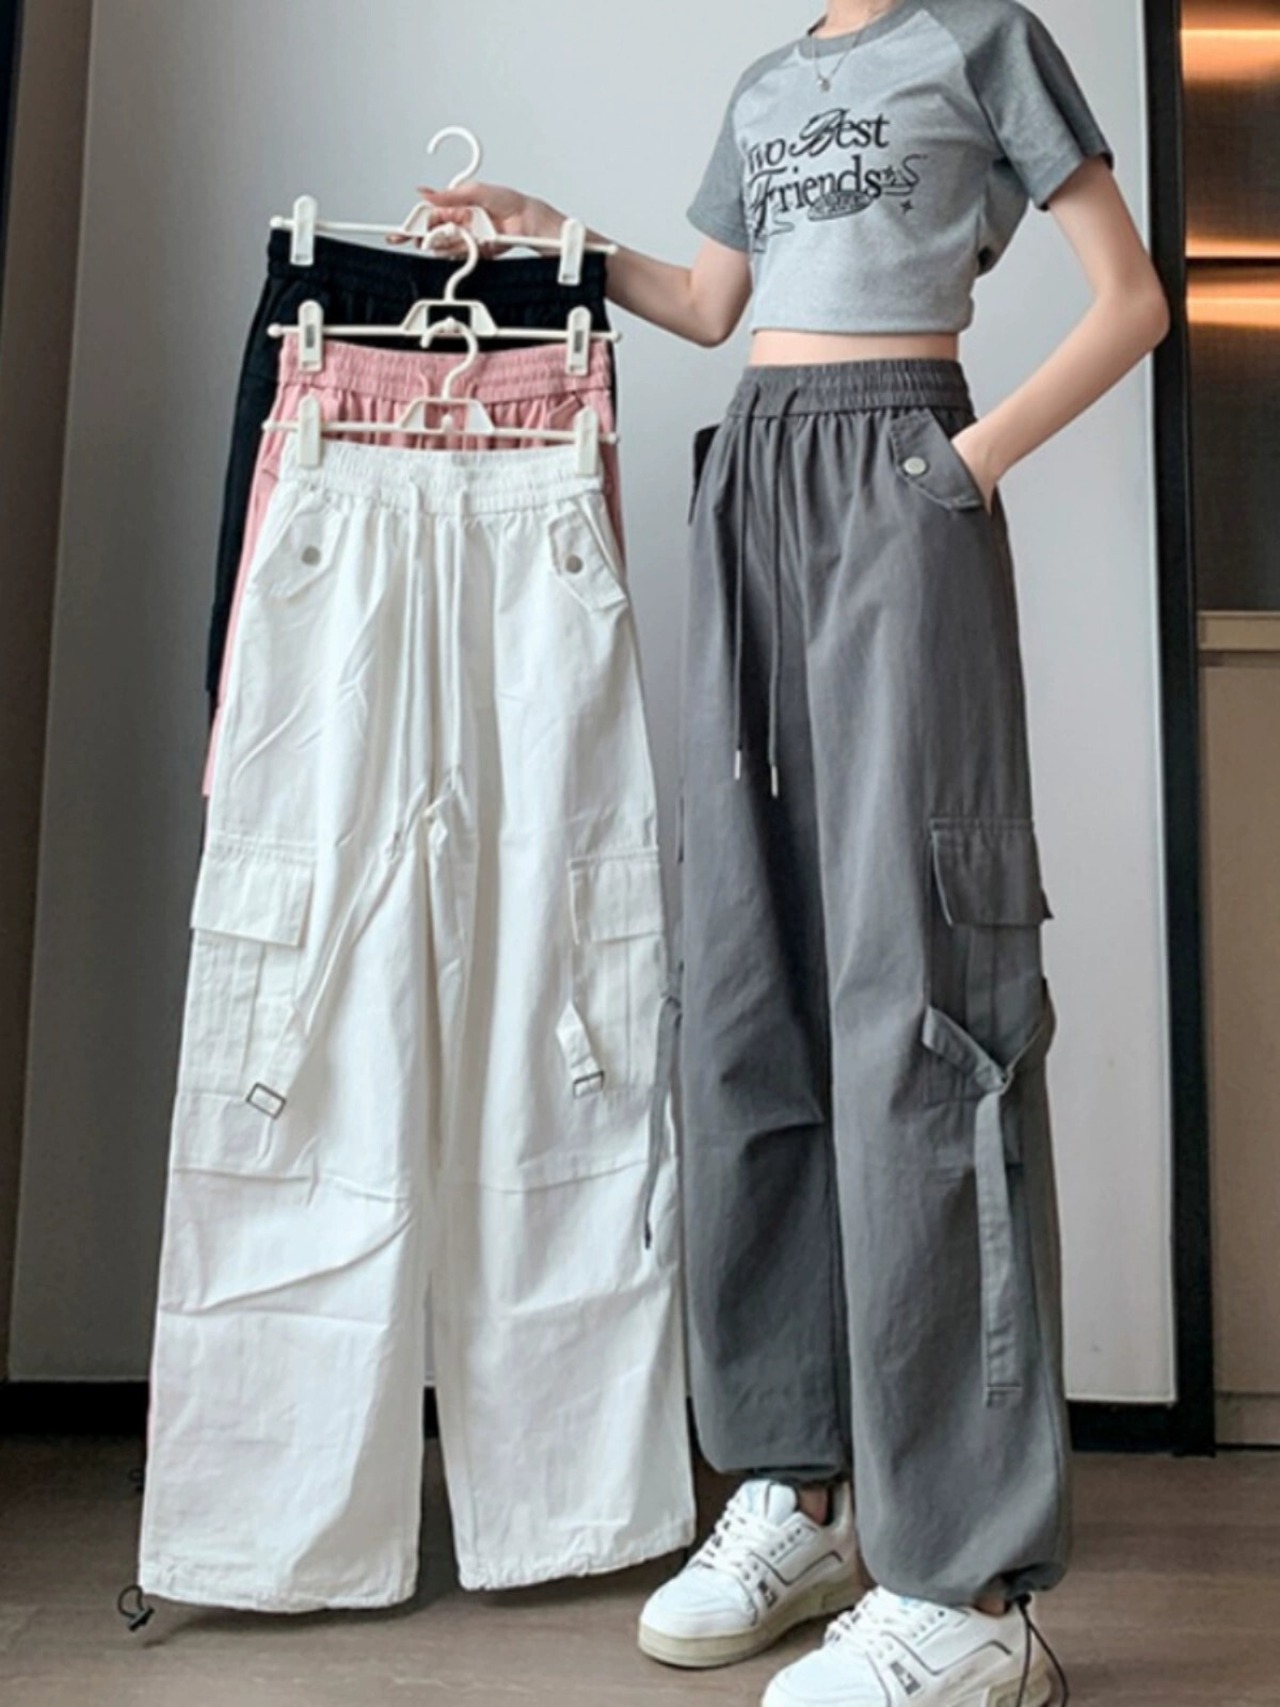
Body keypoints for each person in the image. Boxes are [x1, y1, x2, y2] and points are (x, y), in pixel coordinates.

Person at [419, 2, 1170, 1702]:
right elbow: (710, 305)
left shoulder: (983, 39)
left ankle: (972, 1591)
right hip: (754, 477)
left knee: (928, 996)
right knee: (748, 987)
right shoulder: (766, 85)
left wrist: (961, 467)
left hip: (901, 470)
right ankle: (800, 1486)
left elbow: (1132, 300)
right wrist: (551, 231)